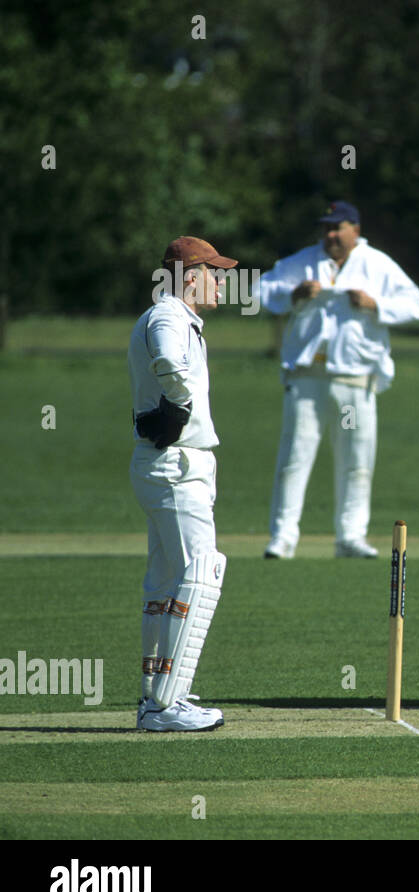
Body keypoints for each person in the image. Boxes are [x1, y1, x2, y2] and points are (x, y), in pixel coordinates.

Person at [259, 201, 419, 559]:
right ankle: (283, 538)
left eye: (338, 227)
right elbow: (261, 292)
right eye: (327, 228)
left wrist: (374, 304)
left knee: (356, 461)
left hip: (355, 379)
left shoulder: (376, 264)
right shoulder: (303, 261)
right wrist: (294, 295)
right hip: (307, 378)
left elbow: (415, 304)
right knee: (294, 457)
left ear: (356, 229)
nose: (331, 235)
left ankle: (350, 537)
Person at [129, 236, 236, 732]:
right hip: (174, 466)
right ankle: (165, 707)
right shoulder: (169, 316)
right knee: (201, 574)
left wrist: (175, 407)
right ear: (190, 276)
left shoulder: (176, 317)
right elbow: (168, 365)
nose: (222, 281)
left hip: (174, 464)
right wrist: (180, 406)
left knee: (167, 585)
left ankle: (159, 695)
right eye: (215, 272)